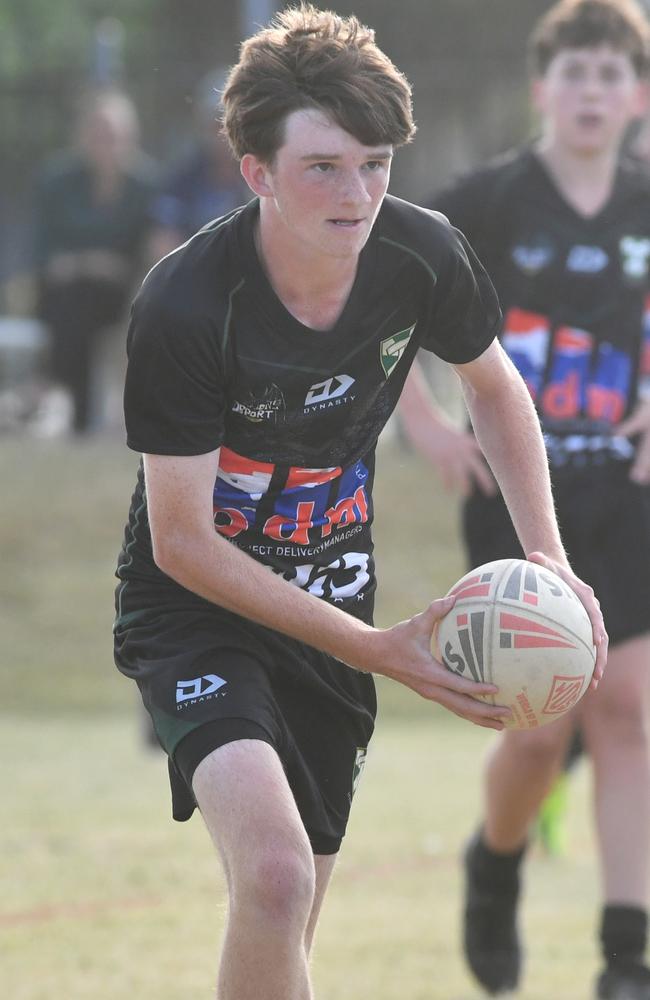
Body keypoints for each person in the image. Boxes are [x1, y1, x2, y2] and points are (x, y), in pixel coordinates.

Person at [112, 6, 606, 998]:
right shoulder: (185, 304)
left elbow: (494, 388)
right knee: (276, 872)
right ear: (256, 171)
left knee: (289, 911)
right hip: (196, 613)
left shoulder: (420, 256)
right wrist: (379, 646)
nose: (358, 193)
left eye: (375, 164)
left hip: (330, 596)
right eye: (324, 166)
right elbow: (181, 542)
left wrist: (544, 553)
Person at [416, 1, 650, 996]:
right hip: (517, 494)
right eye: (575, 72)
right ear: (539, 87)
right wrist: (421, 422)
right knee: (539, 726)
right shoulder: (484, 200)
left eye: (610, 74)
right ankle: (494, 859)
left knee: (630, 711)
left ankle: (622, 957)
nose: (592, 91)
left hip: (629, 492)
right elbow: (389, 309)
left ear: (636, 95)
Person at [33, 88, 158, 434]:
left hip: (126, 291)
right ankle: (77, 409)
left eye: (113, 136)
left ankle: (74, 407)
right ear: (81, 136)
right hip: (68, 289)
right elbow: (44, 250)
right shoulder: (57, 182)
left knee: (91, 304)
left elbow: (149, 251)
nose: (105, 143)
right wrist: (91, 262)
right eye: (97, 134)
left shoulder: (147, 186)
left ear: (130, 138)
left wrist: (107, 265)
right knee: (74, 304)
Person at [148, 69, 248, 261]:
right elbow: (161, 241)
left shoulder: (263, 175)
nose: (223, 134)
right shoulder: (182, 178)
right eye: (216, 124)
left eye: (231, 125)